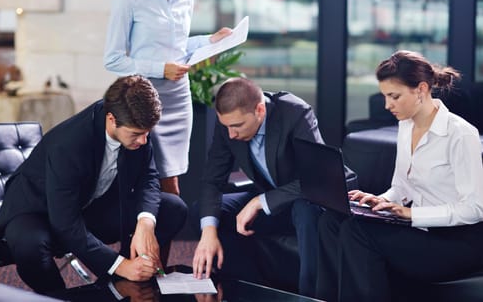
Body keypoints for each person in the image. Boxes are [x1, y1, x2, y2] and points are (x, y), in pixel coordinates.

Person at [0, 75, 188, 294]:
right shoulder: (69, 144)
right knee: (29, 246)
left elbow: (148, 178)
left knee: (173, 208)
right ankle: (59, 298)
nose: (143, 141)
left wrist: (145, 224)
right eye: (137, 134)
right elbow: (65, 222)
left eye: (147, 134)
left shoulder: (136, 123)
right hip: (38, 212)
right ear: (111, 119)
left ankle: (121, 288)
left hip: (89, 205)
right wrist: (120, 265)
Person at [315, 50, 483, 302]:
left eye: (394, 96)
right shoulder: (406, 125)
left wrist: (411, 214)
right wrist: (376, 201)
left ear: (421, 89)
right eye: (385, 96)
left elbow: (474, 209)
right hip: (420, 231)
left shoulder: (461, 134)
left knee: (356, 231)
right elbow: (401, 187)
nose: (387, 105)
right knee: (331, 221)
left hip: (457, 243)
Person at [191, 77, 356, 297]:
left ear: (259, 110)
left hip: (306, 200)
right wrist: (208, 232)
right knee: (202, 212)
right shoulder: (229, 126)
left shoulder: (295, 113)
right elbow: (212, 180)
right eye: (226, 127)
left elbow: (317, 179)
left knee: (305, 211)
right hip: (270, 201)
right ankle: (250, 289)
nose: (231, 134)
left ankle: (309, 297)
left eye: (237, 126)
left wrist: (260, 202)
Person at [103, 0, 232, 195]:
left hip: (178, 95)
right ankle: (147, 229)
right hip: (143, 96)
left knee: (173, 176)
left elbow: (179, 48)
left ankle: (162, 230)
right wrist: (161, 69)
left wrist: (211, 40)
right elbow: (114, 60)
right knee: (157, 178)